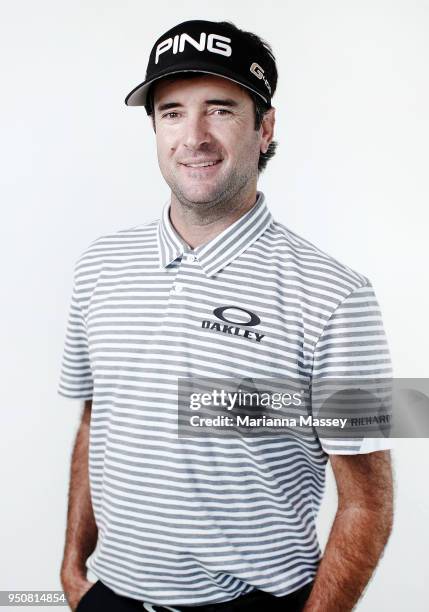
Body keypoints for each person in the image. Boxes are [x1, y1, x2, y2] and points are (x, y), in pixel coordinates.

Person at [58, 19, 394, 612]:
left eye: (220, 109)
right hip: (110, 596)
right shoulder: (98, 267)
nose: (194, 136)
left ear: (264, 127)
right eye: (171, 112)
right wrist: (71, 569)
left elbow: (367, 502)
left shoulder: (336, 295)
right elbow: (94, 421)